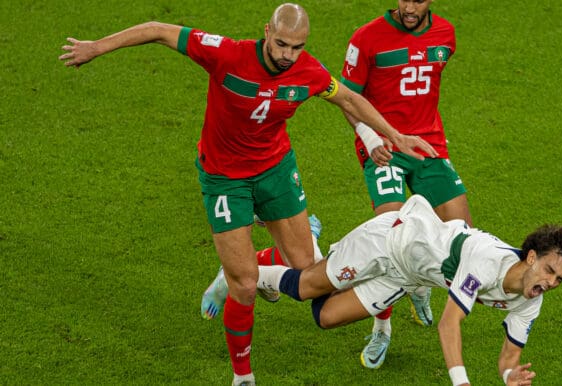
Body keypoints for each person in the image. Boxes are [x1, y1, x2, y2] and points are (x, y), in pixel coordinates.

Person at [59, 4, 438, 385]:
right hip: (226, 180)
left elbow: (349, 100)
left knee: (307, 274)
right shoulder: (226, 53)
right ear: (266, 32)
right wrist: (96, 47)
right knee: (244, 285)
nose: (288, 55)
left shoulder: (309, 71)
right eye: (282, 44)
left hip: (276, 171)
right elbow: (157, 29)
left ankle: (247, 267)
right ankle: (243, 376)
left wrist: (394, 135)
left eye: (297, 47)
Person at [254, 194, 562, 386]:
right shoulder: (486, 260)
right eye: (549, 270)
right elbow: (449, 323)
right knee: (304, 288)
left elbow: (510, 357)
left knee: (325, 317)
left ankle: (313, 247)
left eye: (559, 280)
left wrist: (510, 375)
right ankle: (246, 275)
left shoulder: (530, 302)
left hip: (406, 277)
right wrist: (462, 382)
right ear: (530, 258)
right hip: (389, 240)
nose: (551, 283)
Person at [339, 0, 473, 368]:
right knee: (388, 237)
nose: (410, 6)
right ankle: (382, 331)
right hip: (383, 146)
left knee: (462, 237)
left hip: (429, 145)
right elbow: (347, 99)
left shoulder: (446, 35)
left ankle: (415, 284)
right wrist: (371, 138)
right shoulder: (366, 39)